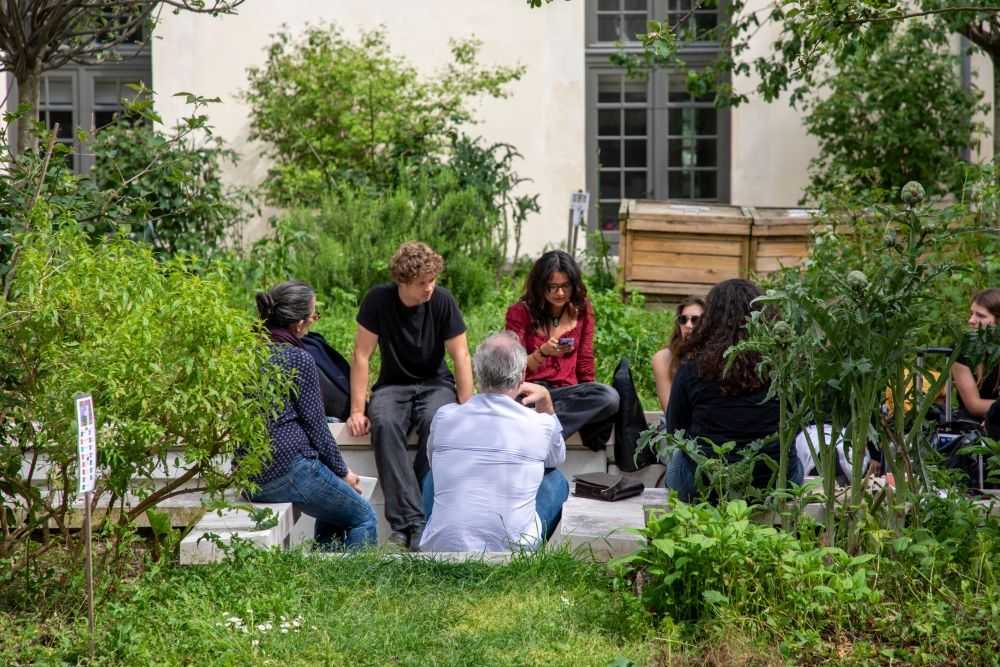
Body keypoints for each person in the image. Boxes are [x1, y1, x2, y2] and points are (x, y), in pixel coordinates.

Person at [347, 242, 474, 551]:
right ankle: (413, 523)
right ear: (402, 281)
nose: (429, 288)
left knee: (438, 422)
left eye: (432, 280)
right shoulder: (378, 300)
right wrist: (357, 409)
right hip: (393, 385)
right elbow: (362, 355)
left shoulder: (443, 301)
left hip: (436, 384)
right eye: (422, 283)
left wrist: (468, 406)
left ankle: (409, 522)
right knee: (384, 423)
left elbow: (461, 355)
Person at [250, 280, 377, 548]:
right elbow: (317, 428)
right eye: (313, 316)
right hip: (287, 471)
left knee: (337, 508)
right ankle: (361, 585)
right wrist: (343, 472)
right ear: (298, 324)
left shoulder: (246, 352)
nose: (312, 323)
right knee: (363, 517)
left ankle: (324, 572)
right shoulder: (299, 358)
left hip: (250, 476)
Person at [419, 332, 569, 552]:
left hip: (442, 547)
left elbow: (434, 462)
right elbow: (557, 458)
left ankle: (442, 535)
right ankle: (525, 553)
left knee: (434, 476)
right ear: (522, 375)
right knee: (556, 480)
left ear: (477, 373)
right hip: (514, 551)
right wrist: (546, 403)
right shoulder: (540, 424)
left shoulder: (445, 416)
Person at [663, 279, 803, 502]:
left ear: (710, 319)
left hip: (708, 483)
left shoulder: (692, 368)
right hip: (774, 481)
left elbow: (675, 429)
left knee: (678, 455)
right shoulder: (783, 368)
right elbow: (797, 422)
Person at [504, 250, 619, 451]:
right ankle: (548, 432)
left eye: (565, 286)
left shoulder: (582, 311)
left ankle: (544, 432)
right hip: (532, 391)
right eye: (553, 287)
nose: (560, 293)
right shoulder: (520, 312)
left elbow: (584, 359)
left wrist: (588, 395)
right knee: (518, 404)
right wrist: (543, 353)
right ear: (540, 287)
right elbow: (514, 371)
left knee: (608, 397)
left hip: (567, 393)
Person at [953, 288, 1000, 421]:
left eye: (980, 315)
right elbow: (974, 405)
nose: (971, 320)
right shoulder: (962, 350)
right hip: (974, 425)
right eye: (971, 313)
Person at [652, 296, 706, 411]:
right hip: (675, 423)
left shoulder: (716, 356)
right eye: (683, 320)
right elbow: (670, 411)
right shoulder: (663, 358)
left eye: (695, 320)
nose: (688, 325)